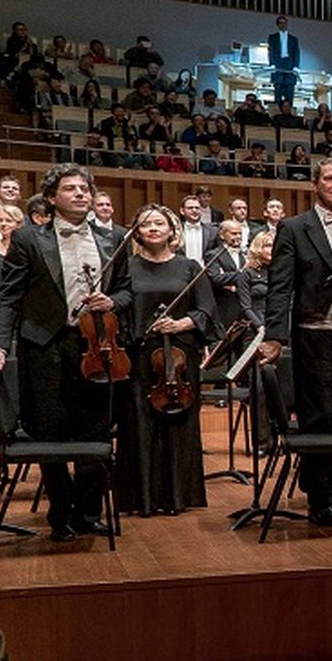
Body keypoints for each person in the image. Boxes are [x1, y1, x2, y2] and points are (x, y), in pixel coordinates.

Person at [0, 163, 126, 541]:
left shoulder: (113, 240)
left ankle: (89, 512)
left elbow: (127, 290)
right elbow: (7, 297)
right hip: (43, 347)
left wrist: (113, 300)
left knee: (96, 431)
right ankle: (61, 513)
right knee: (51, 434)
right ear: (52, 197)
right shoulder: (29, 239)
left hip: (95, 345)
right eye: (70, 189)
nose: (80, 194)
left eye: (85, 189)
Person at [256, 159, 332, 528]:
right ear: (315, 185)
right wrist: (275, 336)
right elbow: (280, 288)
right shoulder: (294, 228)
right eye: (330, 178)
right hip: (313, 335)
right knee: (320, 416)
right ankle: (319, 495)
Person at [117, 204, 216, 518]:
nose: (153, 229)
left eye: (160, 223)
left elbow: (206, 310)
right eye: (146, 224)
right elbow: (118, 309)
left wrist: (181, 324)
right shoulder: (126, 268)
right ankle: (141, 498)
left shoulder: (189, 266)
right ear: (137, 232)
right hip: (139, 354)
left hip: (179, 356)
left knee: (179, 423)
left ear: (173, 230)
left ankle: (178, 496)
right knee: (139, 424)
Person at [267, 15, 302, 107]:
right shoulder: (272, 37)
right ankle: (277, 110)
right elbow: (271, 51)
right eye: (280, 23)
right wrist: (272, 64)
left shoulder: (293, 39)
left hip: (289, 64)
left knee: (290, 89)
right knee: (278, 87)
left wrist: (296, 66)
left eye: (284, 23)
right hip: (278, 64)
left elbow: (296, 52)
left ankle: (289, 110)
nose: (283, 25)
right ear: (277, 25)